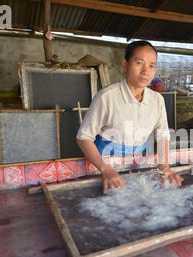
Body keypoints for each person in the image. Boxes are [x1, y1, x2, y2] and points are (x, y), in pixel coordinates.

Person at [76, 40, 183, 194]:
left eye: (152, 65)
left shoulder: (157, 100)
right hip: (103, 163)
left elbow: (162, 135)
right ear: (125, 65)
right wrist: (105, 169)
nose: (146, 71)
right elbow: (83, 137)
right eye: (139, 63)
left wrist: (164, 166)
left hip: (136, 164)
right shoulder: (107, 97)